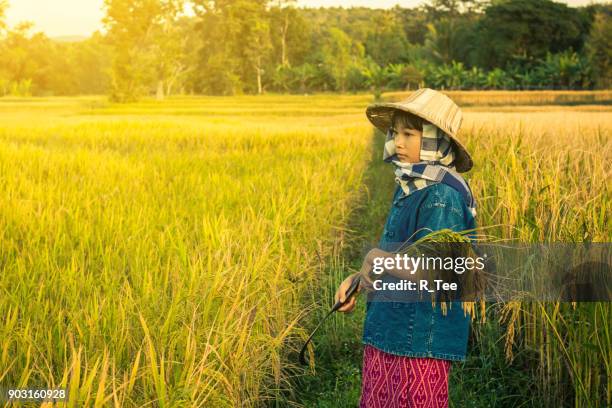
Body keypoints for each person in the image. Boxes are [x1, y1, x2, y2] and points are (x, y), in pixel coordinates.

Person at [334, 88, 478, 408]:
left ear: (436, 141)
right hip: (392, 328)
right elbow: (397, 256)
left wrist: (375, 259)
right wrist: (359, 278)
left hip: (420, 337)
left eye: (410, 134)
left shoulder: (442, 196)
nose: (398, 142)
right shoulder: (412, 184)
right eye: (396, 133)